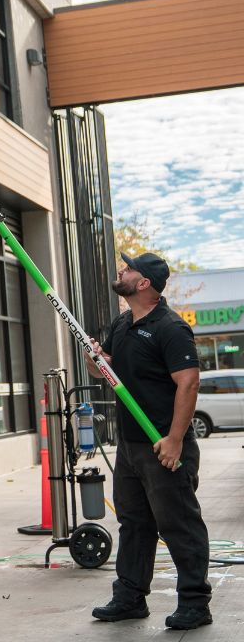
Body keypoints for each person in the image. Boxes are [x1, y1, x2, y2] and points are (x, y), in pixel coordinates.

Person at [86, 251, 212, 630]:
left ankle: (194, 603)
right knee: (134, 521)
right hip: (131, 444)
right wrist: (95, 361)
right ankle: (130, 596)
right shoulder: (122, 324)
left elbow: (188, 382)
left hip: (164, 444)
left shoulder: (170, 328)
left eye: (128, 269)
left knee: (179, 523)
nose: (121, 270)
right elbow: (107, 371)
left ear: (143, 284)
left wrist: (174, 439)